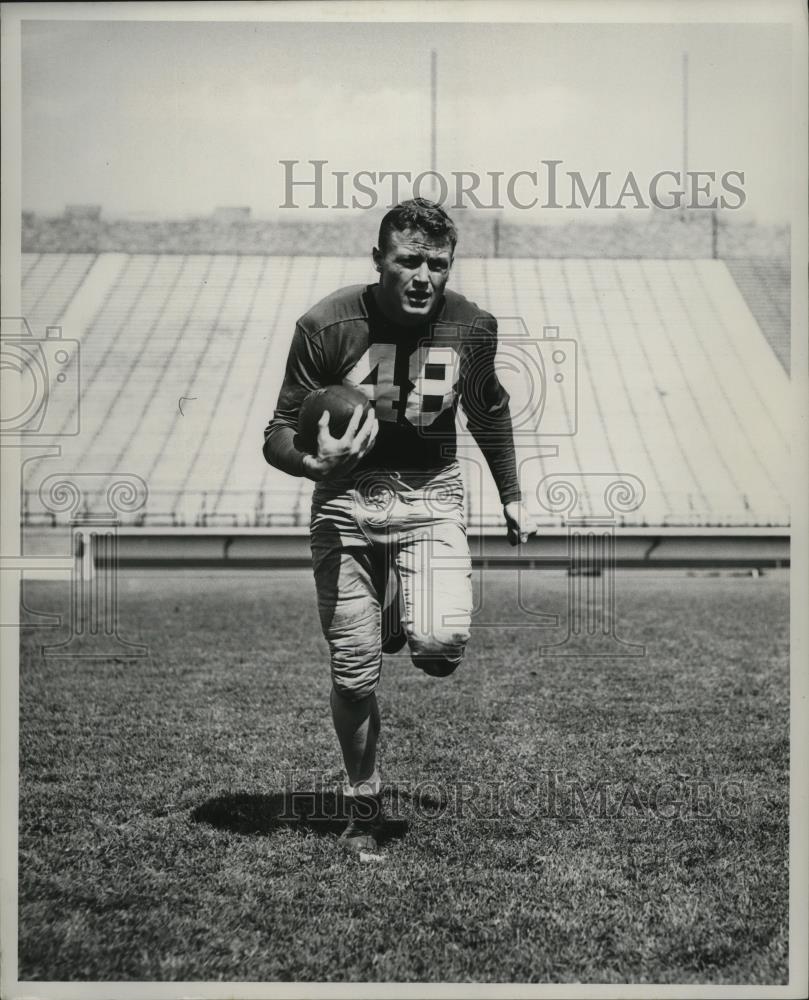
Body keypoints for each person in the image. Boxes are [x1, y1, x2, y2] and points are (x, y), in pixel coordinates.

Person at [263, 198, 537, 853]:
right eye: (407, 260)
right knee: (353, 671)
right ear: (378, 261)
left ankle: (400, 608)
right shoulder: (326, 325)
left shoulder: (471, 326)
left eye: (436, 264)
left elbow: (487, 409)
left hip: (429, 495)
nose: (422, 276)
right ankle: (364, 802)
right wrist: (309, 461)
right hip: (345, 499)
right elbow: (277, 429)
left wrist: (512, 494)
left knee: (439, 650)